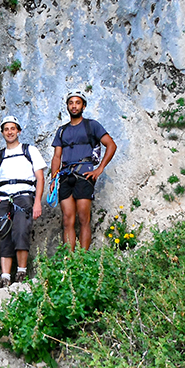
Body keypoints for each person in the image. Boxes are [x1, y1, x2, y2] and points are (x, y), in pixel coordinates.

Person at [50, 90, 117, 250]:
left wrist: (99, 169)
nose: (74, 106)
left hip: (84, 175)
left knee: (83, 218)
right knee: (67, 220)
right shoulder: (61, 130)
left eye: (77, 103)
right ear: (67, 106)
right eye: (71, 103)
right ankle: (69, 259)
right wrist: (53, 179)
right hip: (65, 176)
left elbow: (111, 145)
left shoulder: (92, 125)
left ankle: (83, 259)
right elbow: (57, 157)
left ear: (84, 106)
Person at [0, 116, 46, 287]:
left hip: (24, 195)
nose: (10, 132)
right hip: (3, 198)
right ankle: (5, 276)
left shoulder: (30, 150)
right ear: (2, 133)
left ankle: (21, 272)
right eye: (6, 129)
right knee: (4, 234)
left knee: (21, 231)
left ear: (19, 131)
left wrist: (37, 202)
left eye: (13, 128)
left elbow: (40, 178)